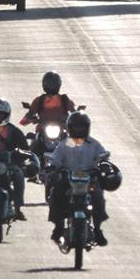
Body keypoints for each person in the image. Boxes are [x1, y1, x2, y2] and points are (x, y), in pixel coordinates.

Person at [46, 111, 109, 246]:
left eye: (81, 127)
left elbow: (103, 156)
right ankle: (58, 226)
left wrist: (104, 165)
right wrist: (52, 166)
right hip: (68, 179)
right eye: (76, 127)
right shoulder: (65, 144)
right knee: (56, 194)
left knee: (98, 197)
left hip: (89, 180)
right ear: (69, 128)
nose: (79, 130)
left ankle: (97, 229)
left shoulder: (94, 144)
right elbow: (56, 158)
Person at [19, 71, 76, 159]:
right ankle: (31, 166)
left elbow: (74, 112)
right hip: (42, 130)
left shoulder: (65, 99)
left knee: (74, 146)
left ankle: (77, 168)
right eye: (49, 84)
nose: (52, 86)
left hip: (61, 130)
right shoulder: (39, 100)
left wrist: (77, 117)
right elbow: (28, 116)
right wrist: (29, 118)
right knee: (32, 147)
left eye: (54, 84)